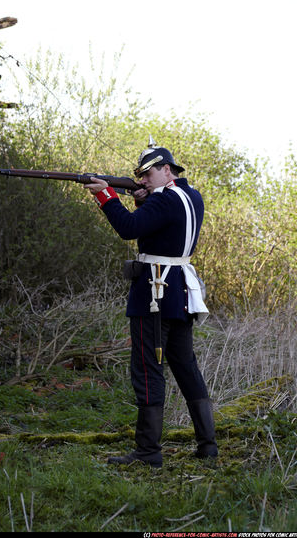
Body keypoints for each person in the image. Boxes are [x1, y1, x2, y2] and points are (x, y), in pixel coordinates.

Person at [84, 137, 218, 467]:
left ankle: (147, 452)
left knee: (147, 370)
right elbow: (159, 227)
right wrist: (144, 200)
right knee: (185, 368)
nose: (142, 180)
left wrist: (105, 196)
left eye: (147, 174)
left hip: (155, 294)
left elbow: (129, 228)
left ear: (166, 170)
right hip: (181, 294)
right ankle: (208, 445)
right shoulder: (191, 196)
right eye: (139, 175)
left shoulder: (165, 199)